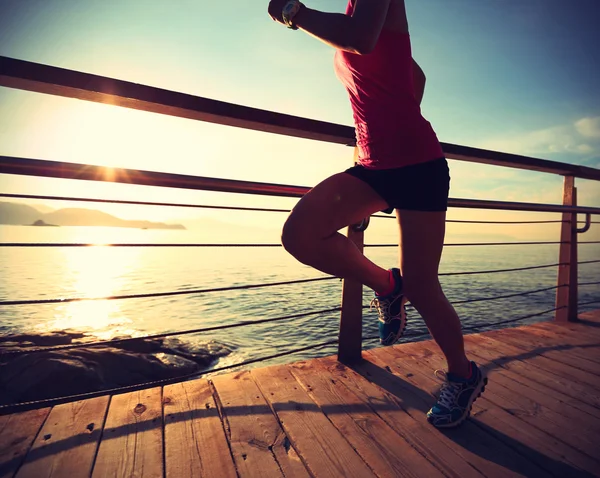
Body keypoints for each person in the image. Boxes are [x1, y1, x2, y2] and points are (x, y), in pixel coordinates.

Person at [268, 0, 487, 428]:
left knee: (424, 287)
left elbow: (360, 39)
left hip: (419, 167)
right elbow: (413, 73)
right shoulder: (359, 13)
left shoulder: (368, 14)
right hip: (371, 167)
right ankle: (388, 287)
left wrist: (292, 12)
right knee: (300, 235)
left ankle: (464, 375)